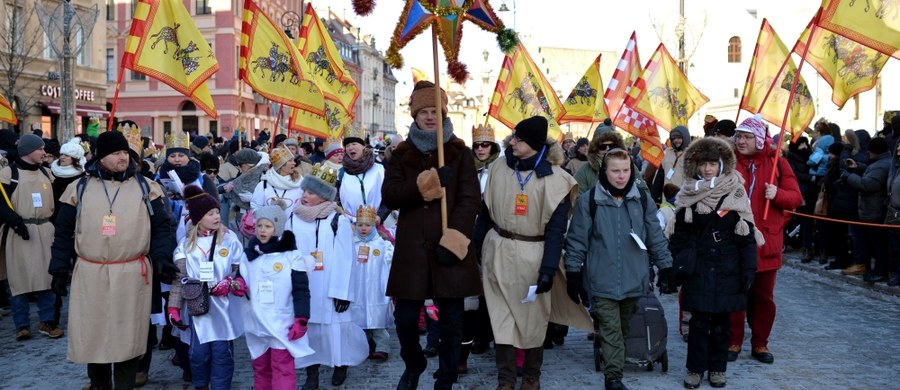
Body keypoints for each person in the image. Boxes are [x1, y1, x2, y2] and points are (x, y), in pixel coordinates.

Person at [49, 130, 178, 390]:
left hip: (131, 272)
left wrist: (162, 257)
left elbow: (163, 228)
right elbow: (63, 234)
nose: (123, 158)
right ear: (102, 157)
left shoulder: (146, 187)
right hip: (90, 272)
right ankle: (99, 385)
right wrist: (59, 269)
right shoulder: (79, 188)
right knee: (93, 335)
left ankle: (124, 386)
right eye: (117, 153)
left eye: (126, 153)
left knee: (127, 337)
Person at [474, 116, 591, 390]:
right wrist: (477, 249)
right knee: (501, 318)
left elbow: (555, 231)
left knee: (532, 321)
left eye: (519, 139)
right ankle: (505, 379)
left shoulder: (558, 180)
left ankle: (530, 376)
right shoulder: (499, 168)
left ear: (535, 145)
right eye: (513, 137)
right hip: (498, 250)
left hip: (534, 255)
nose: (512, 142)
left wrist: (549, 269)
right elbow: (486, 214)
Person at [382, 80, 482, 390]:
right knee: (406, 320)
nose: (429, 117)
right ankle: (414, 364)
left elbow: (470, 200)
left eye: (434, 111)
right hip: (412, 250)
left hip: (448, 245)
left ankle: (446, 376)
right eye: (423, 111)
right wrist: (426, 184)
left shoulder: (460, 152)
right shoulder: (401, 154)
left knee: (452, 320)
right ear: (414, 114)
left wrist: (454, 241)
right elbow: (392, 195)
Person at [564, 147, 676, 390]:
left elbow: (654, 236)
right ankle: (613, 377)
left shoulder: (642, 199)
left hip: (634, 279)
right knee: (610, 328)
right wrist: (573, 274)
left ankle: (613, 361)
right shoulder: (589, 201)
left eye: (626, 170)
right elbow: (576, 241)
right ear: (605, 171)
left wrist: (666, 266)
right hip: (601, 280)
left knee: (623, 327)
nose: (621, 176)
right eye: (615, 171)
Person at [665, 137, 761, 389]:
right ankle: (695, 369)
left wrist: (749, 269)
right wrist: (673, 265)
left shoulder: (736, 192)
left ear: (722, 165)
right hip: (699, 269)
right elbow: (680, 236)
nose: (708, 169)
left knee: (722, 325)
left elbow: (747, 236)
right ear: (695, 165)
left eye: (713, 163)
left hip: (728, 269)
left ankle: (718, 369)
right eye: (703, 163)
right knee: (697, 323)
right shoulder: (688, 193)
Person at [728, 115, 802, 364]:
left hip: (766, 243)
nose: (741, 141)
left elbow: (795, 198)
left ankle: (760, 343)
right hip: (735, 242)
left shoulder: (778, 164)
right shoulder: (728, 163)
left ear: (759, 140)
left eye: (747, 136)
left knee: (763, 298)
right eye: (738, 136)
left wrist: (777, 193)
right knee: (736, 294)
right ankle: (733, 341)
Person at [293, 163, 368, 389]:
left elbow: (346, 259)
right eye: (305, 190)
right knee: (310, 329)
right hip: (304, 285)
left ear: (324, 196)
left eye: (312, 192)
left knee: (335, 330)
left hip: (329, 286)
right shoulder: (293, 217)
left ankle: (340, 364)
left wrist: (342, 293)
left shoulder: (337, 220)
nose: (305, 196)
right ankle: (312, 372)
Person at [167, 185, 247, 390]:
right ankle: (201, 384)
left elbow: (240, 271)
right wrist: (174, 308)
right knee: (199, 353)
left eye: (217, 212)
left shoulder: (229, 241)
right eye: (210, 213)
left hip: (223, 307)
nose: (216, 216)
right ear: (198, 217)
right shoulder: (186, 246)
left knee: (222, 353)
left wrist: (232, 283)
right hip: (197, 308)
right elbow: (179, 279)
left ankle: (221, 386)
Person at [241, 205, 314, 390]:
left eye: (268, 226)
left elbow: (301, 290)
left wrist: (301, 319)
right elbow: (242, 278)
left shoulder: (291, 256)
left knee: (282, 367)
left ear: (278, 228)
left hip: (281, 322)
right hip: (256, 322)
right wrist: (238, 285)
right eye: (259, 226)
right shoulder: (250, 255)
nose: (262, 230)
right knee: (260, 366)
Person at [0, 134, 62, 340]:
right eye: (40, 149)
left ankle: (47, 322)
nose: (44, 153)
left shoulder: (46, 173)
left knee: (47, 277)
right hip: (19, 232)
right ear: (27, 152)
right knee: (20, 279)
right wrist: (15, 222)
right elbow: (0, 204)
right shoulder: (9, 173)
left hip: (45, 231)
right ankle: (22, 325)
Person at [841, 137, 891, 283]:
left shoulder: (881, 165)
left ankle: (880, 272)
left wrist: (849, 176)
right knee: (875, 243)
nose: (868, 152)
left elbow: (868, 184)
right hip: (873, 209)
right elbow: (872, 172)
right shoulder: (882, 162)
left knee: (878, 245)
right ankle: (877, 270)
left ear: (875, 151)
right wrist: (858, 167)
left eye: (870, 150)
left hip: (875, 210)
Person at [348, 205, 395, 361]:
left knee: (377, 320)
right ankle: (364, 346)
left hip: (377, 291)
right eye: (360, 225)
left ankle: (382, 347)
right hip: (358, 290)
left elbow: (391, 262)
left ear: (374, 225)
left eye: (367, 225)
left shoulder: (382, 245)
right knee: (360, 319)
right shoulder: (351, 245)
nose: (363, 228)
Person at [250, 147, 303, 231]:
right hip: (270, 233)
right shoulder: (264, 185)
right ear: (281, 165)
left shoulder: (300, 183)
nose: (294, 163)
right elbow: (255, 207)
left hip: (294, 231)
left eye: (293, 160)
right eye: (290, 161)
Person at [339, 129, 385, 222]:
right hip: (349, 224)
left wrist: (380, 216)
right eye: (347, 145)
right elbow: (336, 201)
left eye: (354, 144)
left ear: (363, 146)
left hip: (373, 223)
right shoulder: (341, 172)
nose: (350, 147)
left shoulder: (379, 170)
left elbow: (389, 196)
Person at [574, 125, 627, 194]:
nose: (608, 149)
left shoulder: (629, 167)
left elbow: (643, 194)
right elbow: (578, 200)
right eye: (603, 146)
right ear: (595, 148)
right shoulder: (584, 171)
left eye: (612, 146)